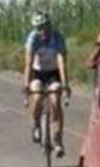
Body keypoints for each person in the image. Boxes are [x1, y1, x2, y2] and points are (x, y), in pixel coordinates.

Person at [23, 12, 70, 158]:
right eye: (38, 28)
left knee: (56, 101)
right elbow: (28, 63)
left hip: (53, 73)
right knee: (36, 96)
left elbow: (62, 62)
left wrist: (65, 84)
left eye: (43, 27)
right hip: (37, 73)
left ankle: (57, 140)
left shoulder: (58, 38)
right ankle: (36, 125)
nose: (41, 31)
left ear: (49, 26)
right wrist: (26, 86)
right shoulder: (32, 39)